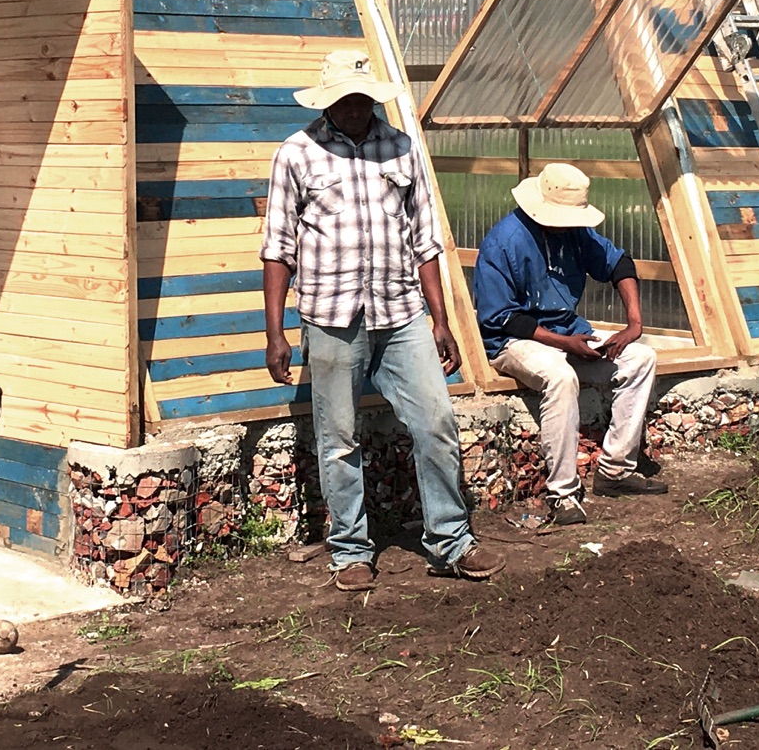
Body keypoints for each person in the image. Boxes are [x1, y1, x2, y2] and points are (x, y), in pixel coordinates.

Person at [261, 50, 505, 591]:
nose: (354, 109)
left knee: (436, 421)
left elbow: (425, 241)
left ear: (372, 98)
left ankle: (451, 542)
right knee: (339, 437)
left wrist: (440, 320)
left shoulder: (400, 147)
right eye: (343, 101)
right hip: (331, 316)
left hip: (400, 312)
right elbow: (277, 248)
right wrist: (274, 333)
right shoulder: (297, 154)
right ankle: (350, 551)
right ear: (327, 103)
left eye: (361, 99)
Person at [473, 163, 666, 526]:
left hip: (569, 333)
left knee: (640, 358)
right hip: (515, 341)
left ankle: (615, 471)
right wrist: (565, 343)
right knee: (560, 377)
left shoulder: (576, 233)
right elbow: (502, 317)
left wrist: (634, 324)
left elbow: (619, 264)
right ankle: (562, 493)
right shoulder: (504, 241)